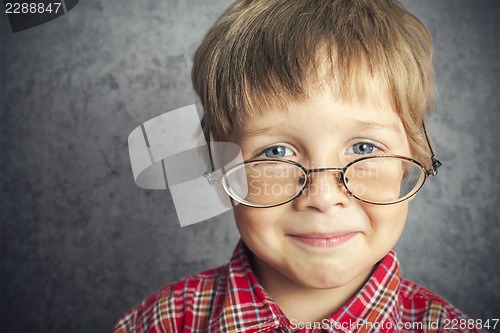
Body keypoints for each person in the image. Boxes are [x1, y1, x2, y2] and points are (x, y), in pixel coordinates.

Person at [113, 0, 485, 332]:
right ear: (220, 173)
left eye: (364, 147)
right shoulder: (163, 323)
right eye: (276, 152)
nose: (322, 198)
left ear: (412, 161)